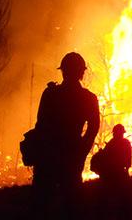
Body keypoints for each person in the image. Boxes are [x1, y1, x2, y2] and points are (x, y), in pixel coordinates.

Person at [31, 52, 100, 219]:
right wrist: (81, 152)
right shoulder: (88, 98)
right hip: (71, 154)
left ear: (63, 71)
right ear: (81, 72)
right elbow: (93, 128)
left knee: (43, 203)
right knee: (72, 204)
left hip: (48, 156)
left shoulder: (50, 94)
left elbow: (40, 125)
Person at [93, 124, 132, 219]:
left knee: (110, 198)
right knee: (123, 198)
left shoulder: (112, 144)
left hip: (112, 175)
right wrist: (126, 169)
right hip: (119, 174)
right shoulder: (125, 143)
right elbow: (128, 160)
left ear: (115, 133)